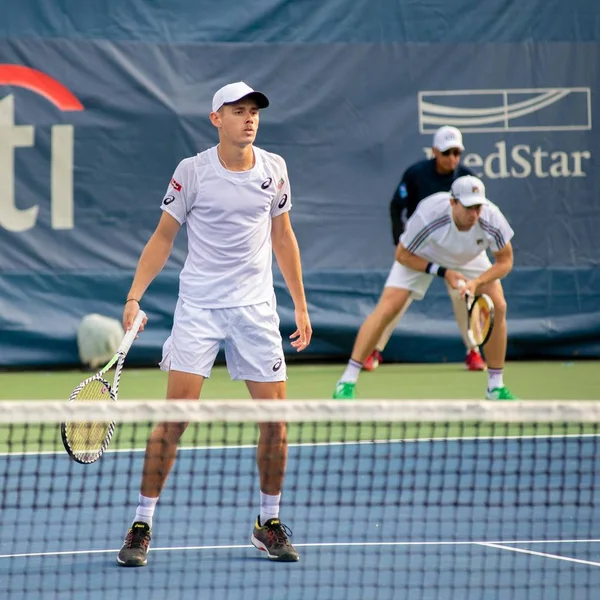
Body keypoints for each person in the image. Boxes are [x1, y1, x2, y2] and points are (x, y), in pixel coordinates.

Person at [116, 81, 312, 567]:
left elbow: (283, 238)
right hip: (199, 309)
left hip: (256, 310)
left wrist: (301, 306)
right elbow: (164, 237)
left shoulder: (275, 169)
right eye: (238, 111)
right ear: (216, 119)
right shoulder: (192, 172)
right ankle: (142, 524)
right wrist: (134, 296)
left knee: (276, 424)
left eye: (254, 112)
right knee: (174, 420)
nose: (249, 119)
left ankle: (268, 522)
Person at [333, 175, 517, 401]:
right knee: (388, 307)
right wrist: (443, 271)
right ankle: (347, 381)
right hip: (423, 254)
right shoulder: (429, 216)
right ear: (453, 203)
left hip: (470, 258)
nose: (474, 214)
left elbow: (505, 261)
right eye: (468, 207)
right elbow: (402, 255)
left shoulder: (491, 218)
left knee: (498, 306)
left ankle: (495, 386)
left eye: (478, 207)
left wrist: (477, 282)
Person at [363, 126, 487, 372]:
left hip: (458, 248)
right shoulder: (416, 175)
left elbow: (477, 218)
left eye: (456, 153)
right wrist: (400, 241)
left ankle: (473, 351)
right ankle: (372, 350)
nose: (452, 158)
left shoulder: (468, 180)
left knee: (463, 295)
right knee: (395, 300)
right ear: (434, 152)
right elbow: (396, 207)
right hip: (422, 248)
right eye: (446, 152)